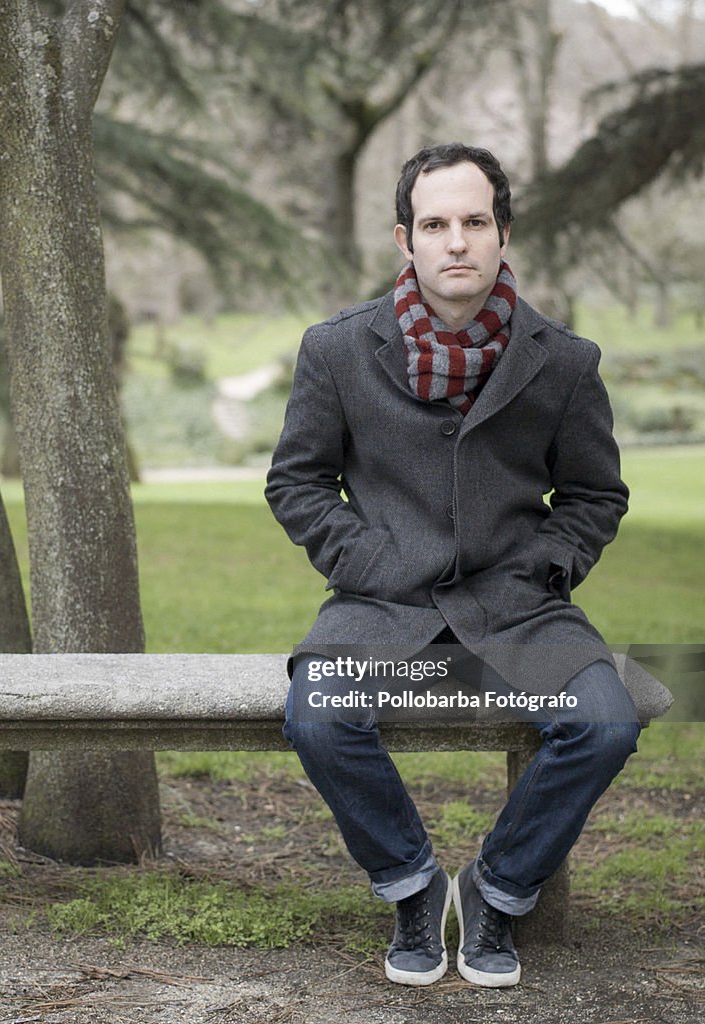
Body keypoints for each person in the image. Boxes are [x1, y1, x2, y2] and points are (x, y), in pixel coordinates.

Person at [265, 143, 641, 988]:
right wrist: (369, 557)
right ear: (407, 241)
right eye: (436, 224)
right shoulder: (337, 350)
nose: (457, 241)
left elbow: (594, 496)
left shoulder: (565, 361)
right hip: (381, 603)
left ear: (503, 234)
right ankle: (412, 885)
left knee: (607, 723)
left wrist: (546, 566)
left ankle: (497, 892)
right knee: (318, 716)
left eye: (475, 221)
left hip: (518, 608)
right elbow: (296, 481)